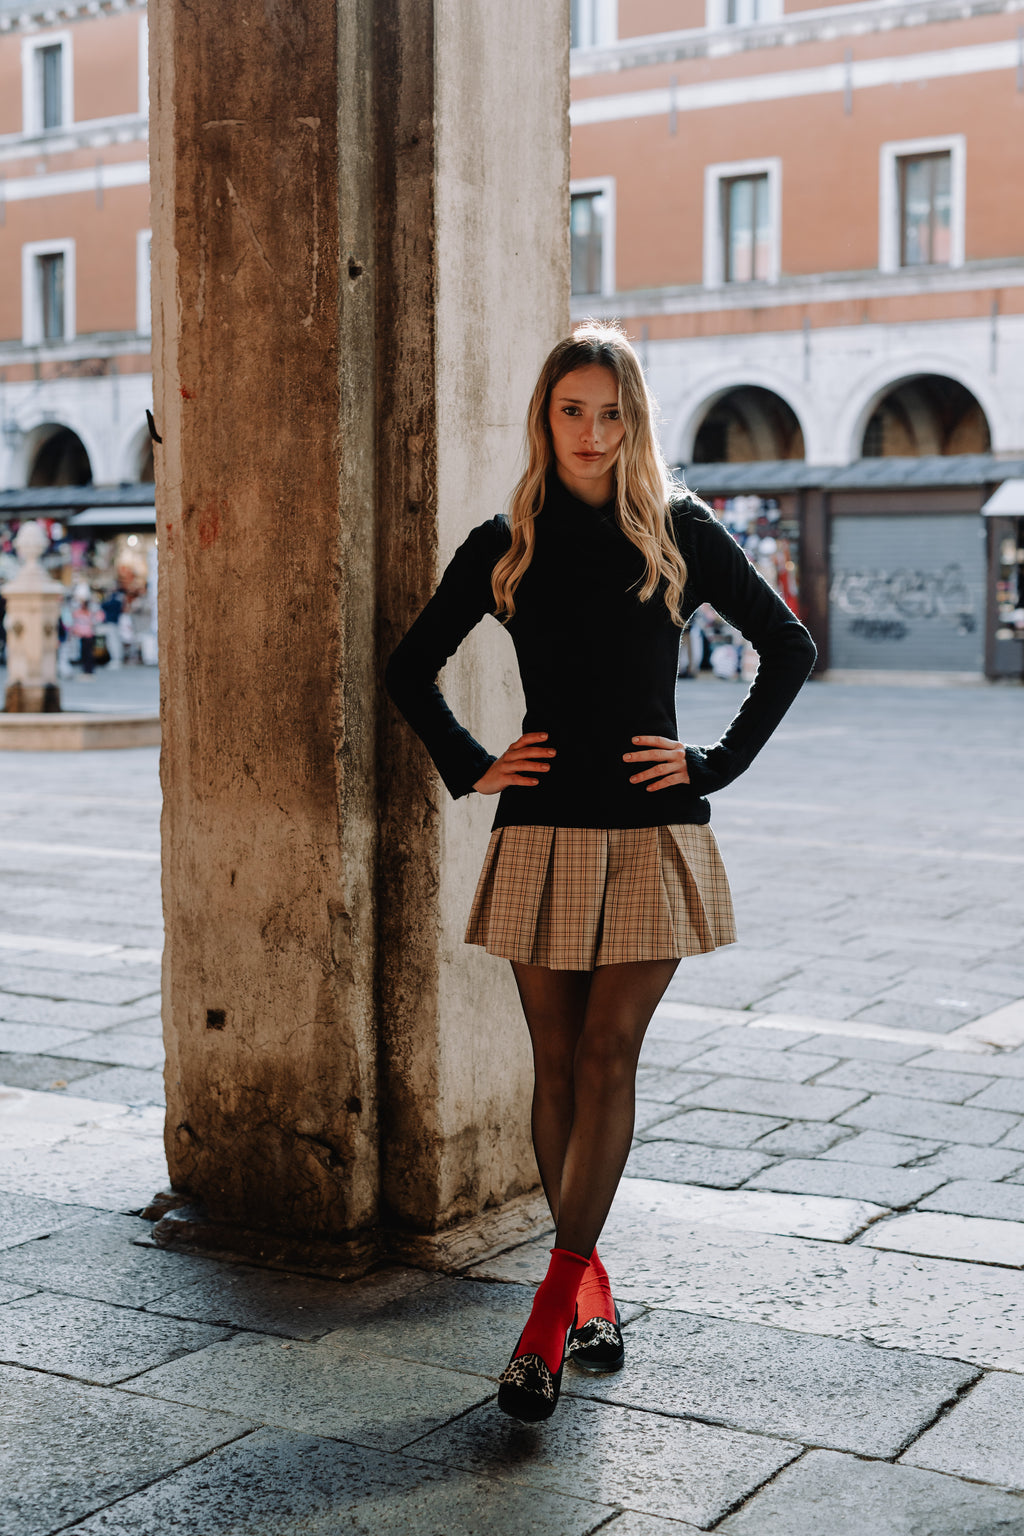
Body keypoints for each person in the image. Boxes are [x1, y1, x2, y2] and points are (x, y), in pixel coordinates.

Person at [385, 321, 816, 1424]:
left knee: (610, 1057)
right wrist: (475, 765)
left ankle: (541, 1325)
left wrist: (712, 760)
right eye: (572, 411)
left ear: (635, 422)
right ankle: (588, 1285)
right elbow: (408, 666)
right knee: (559, 1065)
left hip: (651, 833)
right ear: (546, 418)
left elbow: (788, 647)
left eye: (611, 412)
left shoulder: (679, 531)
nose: (591, 431)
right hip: (539, 831)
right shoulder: (507, 539)